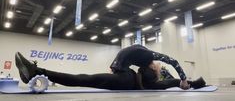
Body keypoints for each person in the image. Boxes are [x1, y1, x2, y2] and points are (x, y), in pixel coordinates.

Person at [15, 45, 205, 90]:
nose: (158, 66)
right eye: (157, 66)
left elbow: (169, 75)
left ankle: (38, 71)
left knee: (84, 79)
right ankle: (37, 71)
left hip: (124, 76)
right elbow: (171, 68)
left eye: (157, 67)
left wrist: (184, 81)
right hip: (123, 74)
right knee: (84, 78)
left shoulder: (153, 77)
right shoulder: (149, 61)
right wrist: (186, 81)